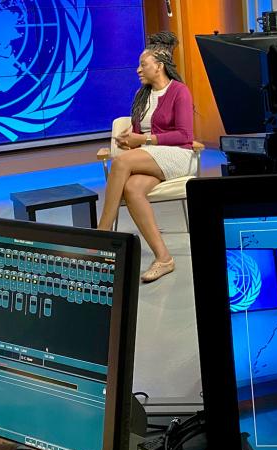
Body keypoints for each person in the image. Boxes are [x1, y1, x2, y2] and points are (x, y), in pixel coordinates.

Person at [97, 32, 196, 283]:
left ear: (160, 66)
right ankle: (164, 258)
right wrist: (129, 138)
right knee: (131, 188)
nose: (138, 70)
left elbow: (184, 135)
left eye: (144, 65)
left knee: (121, 162)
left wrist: (143, 141)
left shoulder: (179, 92)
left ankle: (101, 237)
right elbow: (139, 134)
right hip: (150, 156)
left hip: (177, 155)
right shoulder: (143, 97)